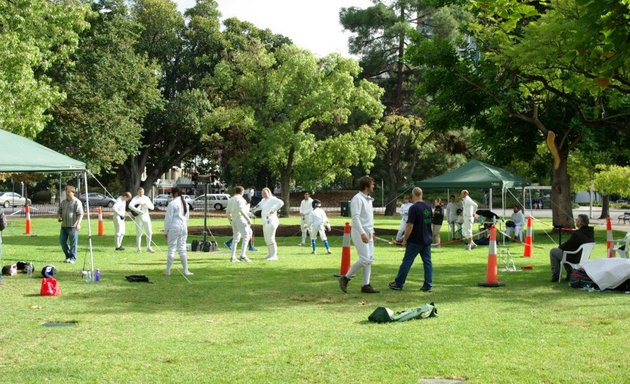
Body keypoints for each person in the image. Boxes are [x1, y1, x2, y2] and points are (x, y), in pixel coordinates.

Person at [338, 176, 379, 294]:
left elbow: (368, 218)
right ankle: (345, 278)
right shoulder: (357, 198)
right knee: (365, 259)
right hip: (359, 232)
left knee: (369, 259)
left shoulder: (368, 199)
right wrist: (362, 233)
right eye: (372, 184)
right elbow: (355, 218)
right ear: (366, 186)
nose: (373, 186)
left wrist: (372, 232)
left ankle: (366, 285)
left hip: (369, 232)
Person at [388, 187, 433, 291]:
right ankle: (428, 285)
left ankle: (398, 283)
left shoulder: (413, 208)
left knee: (407, 261)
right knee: (427, 262)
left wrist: (404, 240)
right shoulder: (428, 207)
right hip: (426, 239)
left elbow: (409, 226)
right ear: (421, 194)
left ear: (413, 195)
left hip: (415, 240)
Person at [549, 214, 594, 282]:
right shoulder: (590, 233)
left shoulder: (577, 234)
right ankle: (570, 274)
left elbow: (567, 246)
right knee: (563, 252)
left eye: (577, 220)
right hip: (582, 256)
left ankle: (556, 275)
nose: (576, 221)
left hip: (574, 257)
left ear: (581, 222)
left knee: (554, 251)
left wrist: (560, 247)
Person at [163, 187, 193, 276]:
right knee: (182, 249)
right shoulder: (185, 203)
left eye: (171, 193)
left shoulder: (172, 204)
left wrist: (166, 231)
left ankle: (168, 271)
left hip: (174, 226)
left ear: (175, 193)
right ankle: (185, 270)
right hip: (183, 226)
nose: (170, 195)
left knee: (172, 249)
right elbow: (187, 218)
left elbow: (168, 219)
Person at [251, 187, 284, 261]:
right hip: (265, 221)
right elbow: (257, 207)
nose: (264, 194)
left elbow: (281, 202)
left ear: (269, 193)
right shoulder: (262, 201)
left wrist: (273, 210)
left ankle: (274, 255)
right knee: (266, 238)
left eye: (265, 193)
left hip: (271, 220)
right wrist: (251, 210)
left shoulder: (273, 199)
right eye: (263, 193)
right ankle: (270, 254)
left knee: (271, 238)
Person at [58, 185, 84, 263]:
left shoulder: (77, 202)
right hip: (64, 226)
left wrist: (78, 224)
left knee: (73, 244)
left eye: (69, 192)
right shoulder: (63, 202)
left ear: (73, 192)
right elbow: (59, 211)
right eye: (66, 192)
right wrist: (59, 217)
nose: (67, 193)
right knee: (62, 242)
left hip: (73, 226)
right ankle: (68, 256)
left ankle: (73, 258)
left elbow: (80, 214)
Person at [226, 186, 252, 263]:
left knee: (235, 238)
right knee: (246, 236)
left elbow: (227, 212)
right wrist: (248, 219)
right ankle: (243, 255)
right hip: (240, 219)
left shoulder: (231, 199)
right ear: (242, 192)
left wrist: (230, 220)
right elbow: (241, 210)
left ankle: (232, 257)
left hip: (233, 219)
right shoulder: (241, 199)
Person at [129, 187, 155, 253]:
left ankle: (149, 247)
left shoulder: (146, 198)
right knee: (139, 233)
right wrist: (137, 210)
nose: (141, 193)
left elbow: (152, 207)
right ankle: (138, 248)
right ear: (137, 192)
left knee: (149, 232)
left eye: (142, 191)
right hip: (138, 218)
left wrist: (146, 205)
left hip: (146, 217)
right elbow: (130, 206)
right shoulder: (135, 198)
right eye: (140, 192)